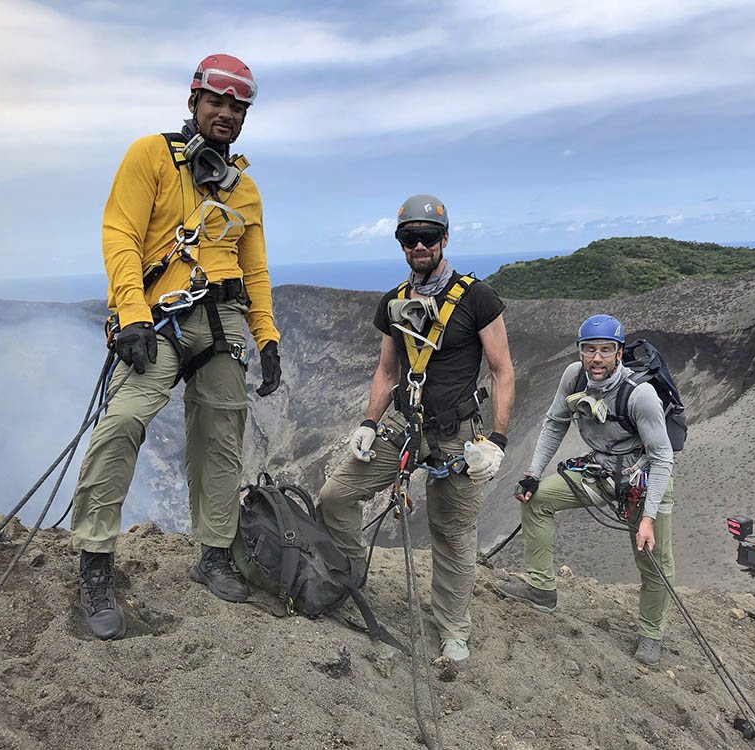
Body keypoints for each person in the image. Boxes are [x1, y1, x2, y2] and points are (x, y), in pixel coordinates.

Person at [70, 54, 282, 640]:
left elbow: (255, 270)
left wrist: (267, 338)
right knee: (124, 420)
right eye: (217, 102)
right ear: (194, 102)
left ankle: (212, 552)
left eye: (238, 107)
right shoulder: (150, 157)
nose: (227, 114)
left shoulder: (245, 188)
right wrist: (131, 314)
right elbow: (121, 233)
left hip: (221, 324)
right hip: (158, 321)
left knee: (221, 434)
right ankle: (93, 562)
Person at [317, 194, 514, 662]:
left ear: (444, 240)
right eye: (410, 238)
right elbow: (387, 371)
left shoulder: (478, 299)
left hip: (457, 432)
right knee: (336, 495)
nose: (419, 245)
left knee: (452, 531)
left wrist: (499, 440)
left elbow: (502, 369)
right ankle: (350, 577)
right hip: (407, 425)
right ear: (402, 243)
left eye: (428, 237)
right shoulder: (394, 303)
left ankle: (452, 629)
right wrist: (368, 422)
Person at [494, 314, 675, 667]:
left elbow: (663, 458)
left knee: (653, 558)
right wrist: (532, 473)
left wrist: (648, 518)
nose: (596, 358)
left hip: (645, 478)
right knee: (538, 499)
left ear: (619, 353)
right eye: (589, 349)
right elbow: (554, 424)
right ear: (579, 351)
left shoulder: (641, 396)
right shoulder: (573, 378)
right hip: (601, 470)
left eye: (606, 350)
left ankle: (651, 634)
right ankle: (542, 589)